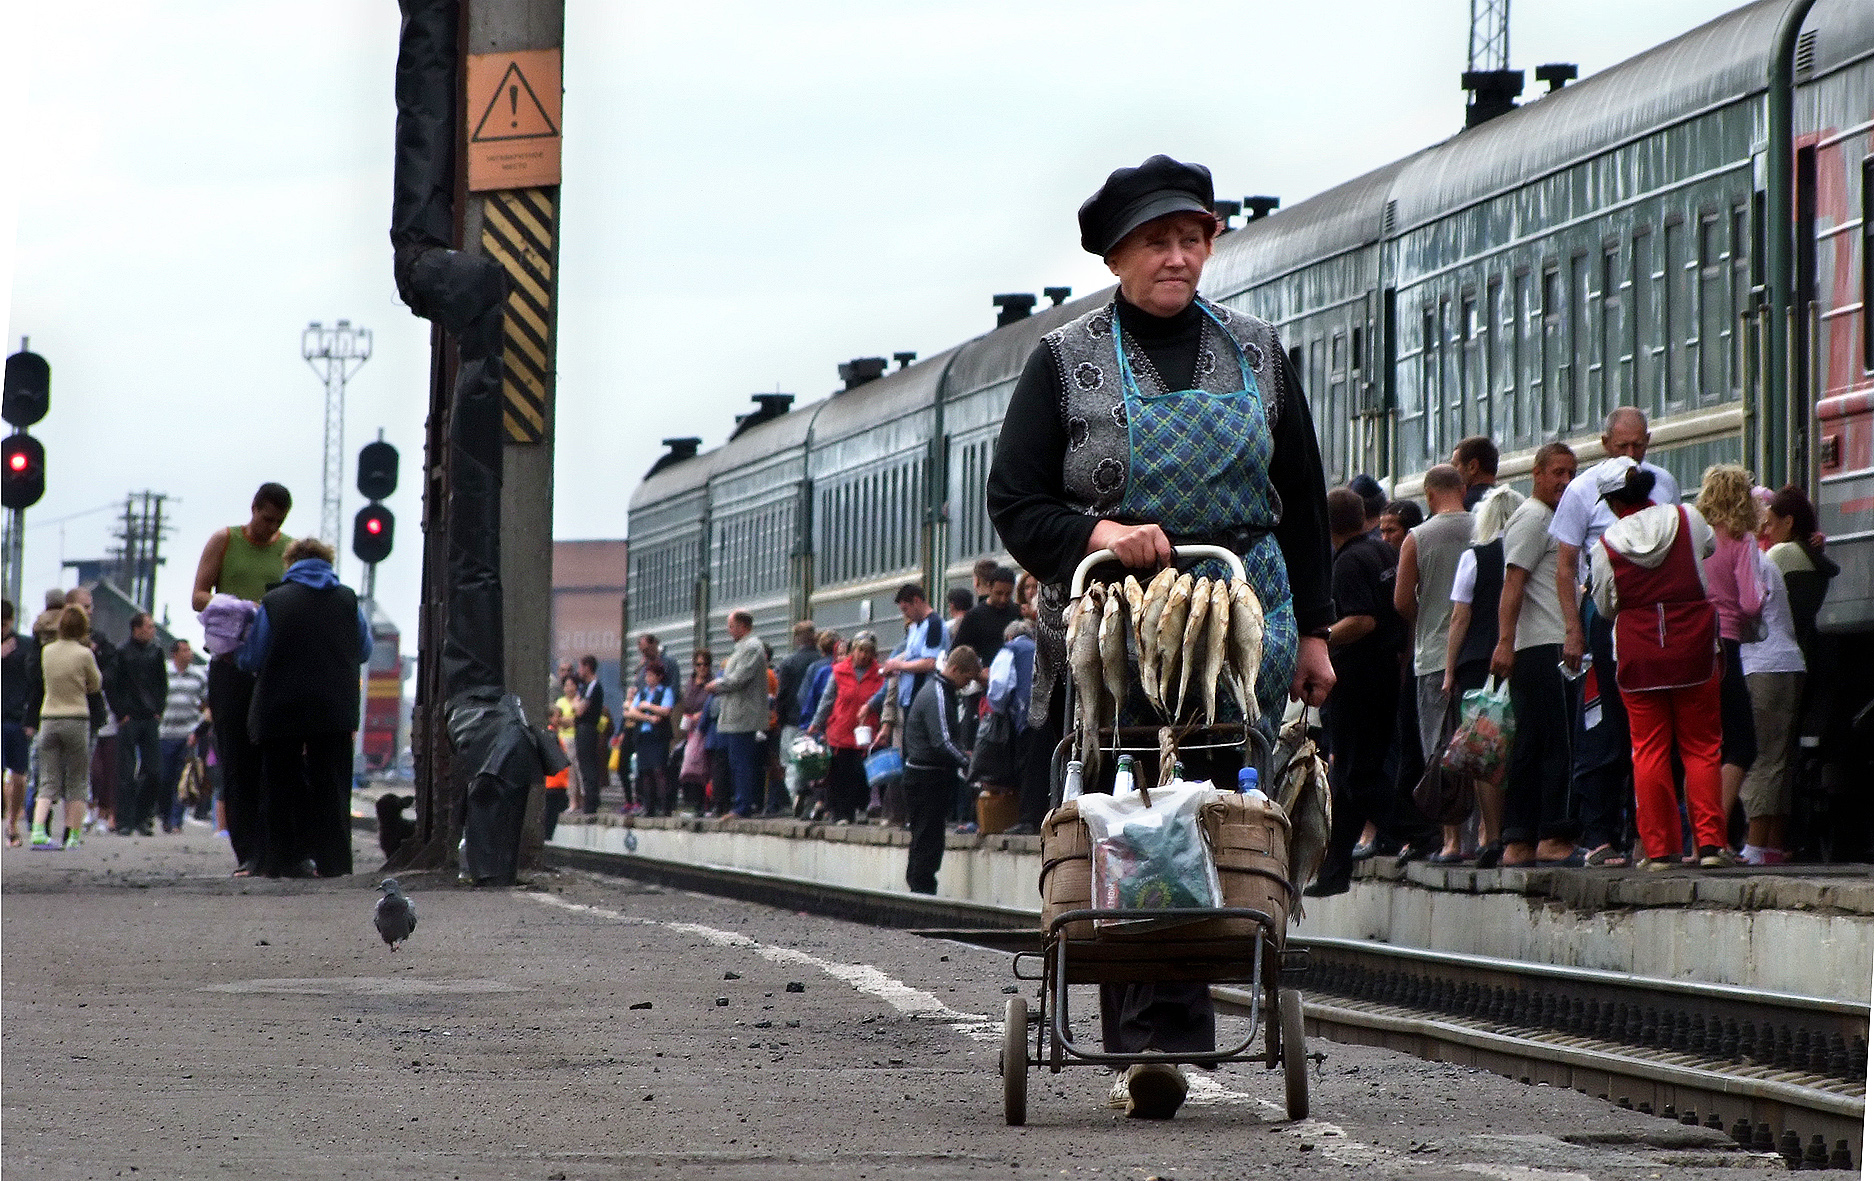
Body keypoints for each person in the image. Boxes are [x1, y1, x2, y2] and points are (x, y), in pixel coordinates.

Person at [984, 155, 1335, 1120]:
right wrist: (1099, 533)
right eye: (1157, 242)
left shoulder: (1261, 352)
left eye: (1193, 239)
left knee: (1220, 808)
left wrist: (1313, 631)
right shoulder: (1063, 361)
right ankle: (1143, 1038)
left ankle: (1176, 1023)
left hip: (1240, 622)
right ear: (1115, 255)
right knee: (1127, 815)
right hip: (1112, 629)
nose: (1178, 257)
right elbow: (1015, 501)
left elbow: (1302, 501)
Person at [1551, 408, 1680, 870]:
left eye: (1638, 446)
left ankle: (1651, 834)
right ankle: (1600, 834)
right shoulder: (1583, 490)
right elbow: (1566, 567)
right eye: (1622, 446)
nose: (1631, 455)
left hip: (1654, 614)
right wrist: (1573, 630)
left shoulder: (1662, 483)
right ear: (1605, 443)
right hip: (1605, 614)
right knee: (1603, 725)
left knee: (1653, 726)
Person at [1589, 459, 1726, 869]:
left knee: (1648, 750)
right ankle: (1711, 846)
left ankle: (1661, 850)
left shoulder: (1606, 544)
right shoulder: (1688, 518)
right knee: (1702, 746)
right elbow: (1709, 549)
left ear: (1613, 501)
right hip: (1694, 646)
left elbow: (1604, 606)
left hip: (1640, 651)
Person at [237, 537, 371, 878]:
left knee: (280, 783)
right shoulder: (348, 600)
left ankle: (280, 861)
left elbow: (253, 656)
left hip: (282, 706)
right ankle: (335, 864)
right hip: (335, 707)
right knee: (333, 785)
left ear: (290, 563)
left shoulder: (275, 601)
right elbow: (365, 649)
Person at [190, 481, 292, 876]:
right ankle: (246, 850)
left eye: (278, 523)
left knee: (273, 756)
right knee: (236, 757)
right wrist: (240, 607)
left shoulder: (290, 549)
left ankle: (274, 848)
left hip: (272, 666)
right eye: (266, 520)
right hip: (230, 664)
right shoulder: (225, 541)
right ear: (253, 510)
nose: (270, 529)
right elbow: (198, 595)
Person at [1490, 442, 1584, 866]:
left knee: (1530, 745)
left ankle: (1519, 840)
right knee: (1558, 744)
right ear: (1537, 473)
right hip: (1545, 646)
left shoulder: (1546, 517)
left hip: (1537, 646)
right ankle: (1552, 835)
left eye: (1571, 473)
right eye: (1557, 473)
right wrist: (1505, 641)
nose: (1565, 481)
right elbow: (1513, 583)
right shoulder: (1534, 518)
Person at [1312, 486, 1406, 896]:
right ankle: (1335, 873)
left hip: (1359, 679)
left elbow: (1362, 619)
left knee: (1356, 775)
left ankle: (1413, 831)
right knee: (1349, 778)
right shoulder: (1383, 551)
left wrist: (1317, 639)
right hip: (1388, 671)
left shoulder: (1347, 563)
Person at [1393, 465, 1474, 862]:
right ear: (1463, 488)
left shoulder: (1417, 538)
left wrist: (1426, 614)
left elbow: (1401, 601)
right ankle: (1484, 836)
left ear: (1428, 495)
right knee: (1481, 744)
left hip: (1432, 655)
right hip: (1477, 650)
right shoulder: (1484, 526)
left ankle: (1452, 840)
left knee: (1439, 750)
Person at [1439, 485, 1523, 864]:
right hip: (1523, 653)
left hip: (1477, 662)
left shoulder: (1475, 556)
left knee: (1485, 747)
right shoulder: (1527, 553)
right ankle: (1517, 830)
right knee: (1521, 742)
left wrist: (1449, 669)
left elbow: (1460, 615)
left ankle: (1491, 832)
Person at [1694, 464, 1764, 838]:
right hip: (1728, 641)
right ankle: (1713, 832)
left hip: (1694, 640)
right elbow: (1751, 602)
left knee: (1703, 742)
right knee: (1741, 743)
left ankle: (1697, 832)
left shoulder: (1696, 535)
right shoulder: (1741, 539)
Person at [903, 645, 981, 894]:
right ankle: (922, 891)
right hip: (927, 778)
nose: (966, 685)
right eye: (966, 678)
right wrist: (970, 764)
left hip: (928, 775)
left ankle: (920, 889)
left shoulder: (940, 690)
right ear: (955, 669)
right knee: (928, 838)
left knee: (925, 837)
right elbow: (943, 741)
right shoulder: (937, 693)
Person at [25, 604, 102, 848]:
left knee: (47, 779)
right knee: (77, 781)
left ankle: (38, 831)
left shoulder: (47, 651)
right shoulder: (84, 654)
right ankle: (72, 836)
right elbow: (96, 683)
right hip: (76, 718)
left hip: (48, 717)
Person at [809, 632, 884, 824]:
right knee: (840, 774)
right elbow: (827, 700)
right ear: (853, 650)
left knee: (861, 774)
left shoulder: (879, 675)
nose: (864, 655)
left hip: (865, 732)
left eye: (868, 652)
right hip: (840, 731)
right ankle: (841, 813)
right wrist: (816, 723)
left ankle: (860, 808)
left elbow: (884, 701)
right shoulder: (839, 671)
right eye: (860, 650)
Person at [706, 609, 770, 817]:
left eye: (731, 626)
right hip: (736, 715)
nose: (728, 630)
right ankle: (740, 802)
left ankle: (744, 805)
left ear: (743, 626)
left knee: (742, 761)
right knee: (736, 761)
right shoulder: (743, 647)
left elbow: (739, 678)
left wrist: (717, 684)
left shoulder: (751, 648)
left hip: (743, 715)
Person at [112, 612, 168, 836]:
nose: (153, 630)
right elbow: (112, 684)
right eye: (149, 626)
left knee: (154, 770)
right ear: (136, 629)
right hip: (129, 717)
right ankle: (124, 820)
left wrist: (158, 710)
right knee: (125, 771)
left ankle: (143, 817)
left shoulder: (156, 652)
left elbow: (162, 684)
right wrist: (120, 713)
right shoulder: (122, 652)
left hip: (149, 717)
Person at [158, 639, 207, 833]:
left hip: (188, 734)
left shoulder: (198, 675)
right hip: (165, 732)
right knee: (164, 777)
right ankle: (164, 815)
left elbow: (205, 702)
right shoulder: (164, 671)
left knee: (183, 779)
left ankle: (176, 820)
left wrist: (199, 729)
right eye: (185, 650)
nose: (190, 653)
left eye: (190, 649)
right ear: (175, 654)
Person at [881, 585, 947, 716]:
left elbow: (930, 662)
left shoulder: (934, 624)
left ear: (916, 601)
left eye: (906, 609)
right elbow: (912, 661)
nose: (905, 614)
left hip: (923, 696)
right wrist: (896, 670)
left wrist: (898, 665)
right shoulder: (914, 627)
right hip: (909, 698)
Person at [774, 620, 820, 808]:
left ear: (796, 639)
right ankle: (813, 800)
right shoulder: (822, 660)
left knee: (792, 761)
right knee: (816, 761)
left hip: (793, 721)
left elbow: (782, 695)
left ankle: (796, 797)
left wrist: (780, 719)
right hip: (817, 722)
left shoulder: (788, 663)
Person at [623, 661, 677, 817]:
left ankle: (666, 806)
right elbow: (631, 712)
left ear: (659, 676)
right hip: (643, 737)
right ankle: (649, 807)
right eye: (646, 675)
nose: (648, 678)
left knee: (659, 770)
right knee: (645, 772)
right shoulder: (642, 692)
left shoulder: (665, 691)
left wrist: (647, 705)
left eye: (651, 675)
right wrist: (649, 718)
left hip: (658, 737)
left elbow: (665, 711)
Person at [955, 566, 1022, 669]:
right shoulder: (974, 616)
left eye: (1008, 594)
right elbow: (958, 651)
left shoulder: (1017, 613)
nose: (1003, 599)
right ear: (989, 587)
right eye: (998, 593)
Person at [2, 600, 30, 847]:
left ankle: (13, 820)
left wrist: (31, 719)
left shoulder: (25, 646)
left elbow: (35, 684)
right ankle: (8, 826)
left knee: (19, 777)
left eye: (3, 624)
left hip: (18, 719)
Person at [676, 649, 714, 815]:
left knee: (704, 767)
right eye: (699, 664)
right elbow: (686, 703)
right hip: (691, 730)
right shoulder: (690, 683)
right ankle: (694, 802)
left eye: (706, 664)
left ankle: (706, 803)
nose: (702, 668)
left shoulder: (711, 683)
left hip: (705, 730)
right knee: (688, 767)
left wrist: (702, 714)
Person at [572, 655, 606, 814]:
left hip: (588, 728)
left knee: (588, 765)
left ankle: (592, 802)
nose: (579, 671)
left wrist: (576, 703)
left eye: (580, 667)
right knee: (583, 765)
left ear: (587, 667)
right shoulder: (584, 686)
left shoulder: (593, 686)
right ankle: (590, 800)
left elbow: (579, 709)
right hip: (581, 729)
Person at [1452, 436, 1500, 510]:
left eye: (1455, 466)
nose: (1452, 472)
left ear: (1472, 467)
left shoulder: (1460, 506)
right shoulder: (1508, 502)